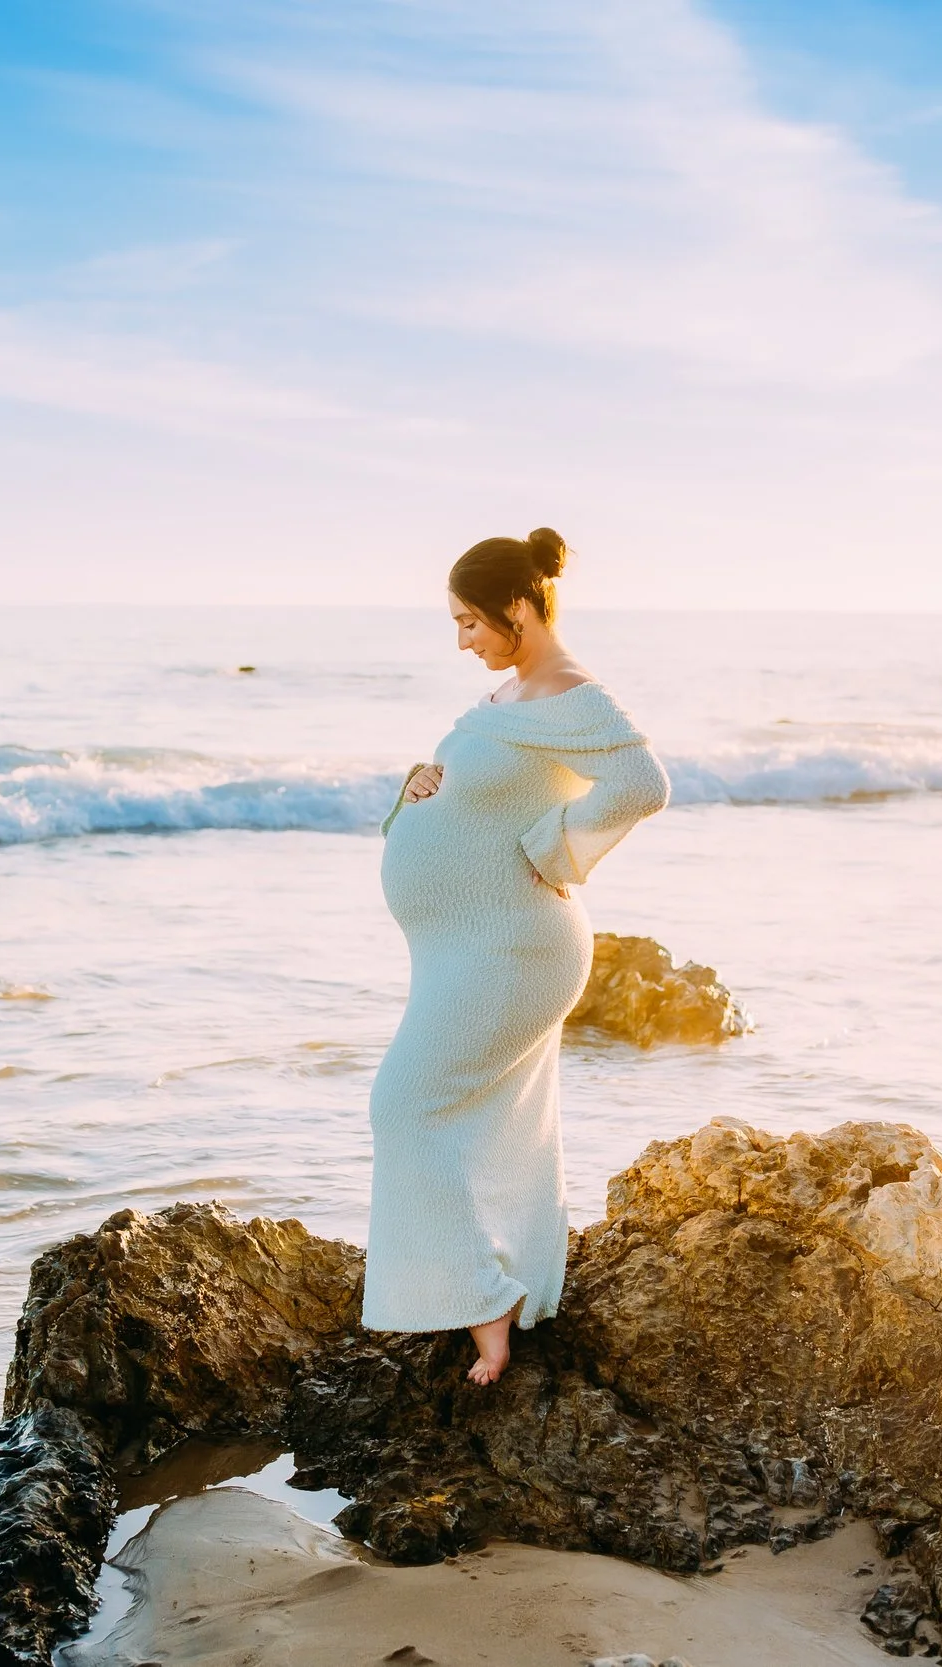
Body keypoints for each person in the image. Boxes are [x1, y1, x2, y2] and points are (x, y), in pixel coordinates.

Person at [366, 527, 670, 1384]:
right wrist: (421, 786)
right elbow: (479, 787)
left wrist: (557, 846)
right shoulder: (513, 695)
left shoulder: (572, 691)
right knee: (494, 1116)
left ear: (520, 608)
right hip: (463, 946)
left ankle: (483, 1296)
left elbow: (644, 784)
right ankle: (511, 1282)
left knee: (406, 1103)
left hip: (511, 946)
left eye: (471, 622)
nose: (463, 641)